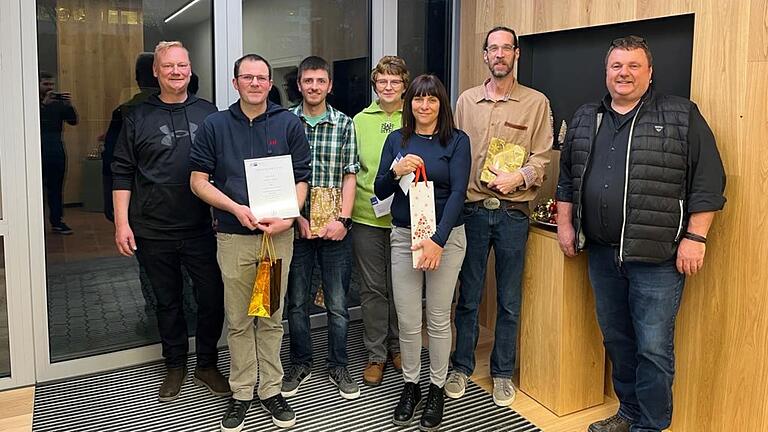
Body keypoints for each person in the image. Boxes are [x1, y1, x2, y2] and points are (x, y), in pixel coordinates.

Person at [556, 36, 726, 432]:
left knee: (653, 348)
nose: (624, 74)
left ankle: (650, 425)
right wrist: (566, 224)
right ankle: (628, 412)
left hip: (658, 259)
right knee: (617, 340)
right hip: (601, 253)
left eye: (634, 66)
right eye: (617, 66)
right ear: (606, 72)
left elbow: (708, 182)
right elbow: (567, 178)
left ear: (649, 73)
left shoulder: (682, 115)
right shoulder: (586, 117)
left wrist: (696, 238)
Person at [189, 53, 310, 431]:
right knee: (240, 320)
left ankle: (271, 389)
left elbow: (302, 180)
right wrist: (236, 208)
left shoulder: (289, 124)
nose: (255, 83)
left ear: (270, 83)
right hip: (234, 236)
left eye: (262, 77)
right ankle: (242, 393)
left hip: (276, 239)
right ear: (235, 82)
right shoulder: (215, 125)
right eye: (247, 77)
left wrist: (289, 216)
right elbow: (198, 181)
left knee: (270, 317)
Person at [111, 41, 228, 404]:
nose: (177, 72)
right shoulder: (137, 116)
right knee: (167, 302)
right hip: (152, 228)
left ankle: (207, 363)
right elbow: (121, 172)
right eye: (169, 66)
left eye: (182, 65)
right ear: (156, 72)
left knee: (211, 299)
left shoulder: (210, 113)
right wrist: (121, 224)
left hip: (203, 229)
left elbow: (227, 168)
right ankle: (174, 364)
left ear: (190, 70)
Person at [446, 25, 553, 407]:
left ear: (517, 54)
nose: (500, 55)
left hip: (512, 215)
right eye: (493, 48)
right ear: (485, 55)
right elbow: (454, 154)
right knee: (469, 296)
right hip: (471, 212)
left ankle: (503, 372)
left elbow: (542, 157)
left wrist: (519, 177)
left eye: (507, 48)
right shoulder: (465, 101)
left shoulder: (536, 103)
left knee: (509, 300)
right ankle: (460, 366)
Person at [375, 74, 471, 431]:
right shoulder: (396, 140)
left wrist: (437, 240)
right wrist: (394, 170)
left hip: (446, 238)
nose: (424, 106)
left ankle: (436, 387)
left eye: (432, 100)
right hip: (404, 237)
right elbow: (381, 189)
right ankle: (411, 385)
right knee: (408, 318)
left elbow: (459, 192)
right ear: (409, 103)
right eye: (418, 99)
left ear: (441, 104)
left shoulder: (457, 141)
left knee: (438, 319)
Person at [281, 56, 360, 400]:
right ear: (299, 85)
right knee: (296, 301)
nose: (314, 87)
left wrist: (342, 220)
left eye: (320, 81)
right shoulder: (284, 123)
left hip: (335, 229)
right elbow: (279, 176)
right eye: (307, 81)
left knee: (338, 302)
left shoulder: (344, 124)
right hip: (295, 228)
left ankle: (338, 364)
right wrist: (294, 216)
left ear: (330, 85)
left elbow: (350, 175)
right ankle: (300, 361)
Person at [351, 56, 409, 386]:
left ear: (404, 85)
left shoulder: (415, 117)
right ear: (375, 85)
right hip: (366, 215)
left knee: (401, 287)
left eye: (395, 82)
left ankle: (399, 347)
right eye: (382, 82)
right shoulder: (359, 120)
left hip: (405, 217)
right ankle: (376, 354)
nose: (388, 87)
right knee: (373, 288)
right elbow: (352, 169)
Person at [39, 71, 78, 235]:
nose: (50, 88)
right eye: (46, 84)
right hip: (36, 147)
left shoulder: (58, 103)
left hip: (55, 147)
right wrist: (43, 105)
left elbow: (73, 121)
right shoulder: (29, 101)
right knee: (35, 187)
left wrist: (69, 105)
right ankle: (33, 222)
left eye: (51, 84)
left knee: (56, 186)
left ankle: (57, 221)